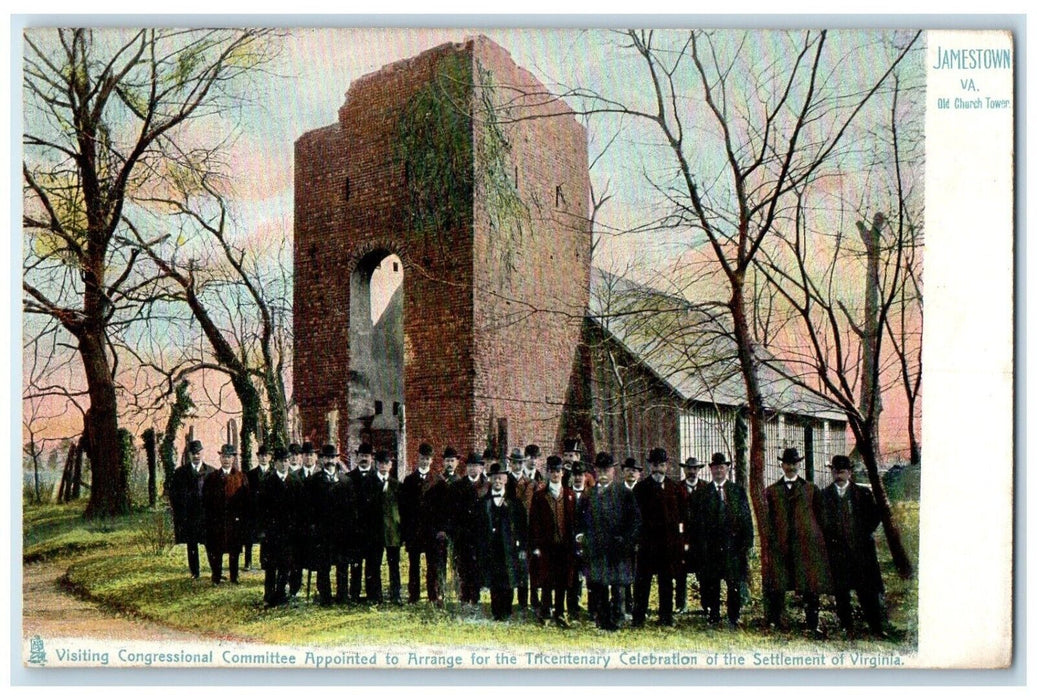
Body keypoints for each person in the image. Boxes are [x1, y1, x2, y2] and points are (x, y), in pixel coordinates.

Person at [763, 447, 832, 634]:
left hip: (806, 548)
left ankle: (812, 623)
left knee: (810, 586)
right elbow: (767, 521)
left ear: (799, 465)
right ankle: (776, 622)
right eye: (787, 463)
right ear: (782, 465)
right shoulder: (772, 491)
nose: (790, 467)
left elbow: (821, 517)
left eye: (794, 463)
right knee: (778, 585)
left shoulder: (811, 489)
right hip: (782, 546)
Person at [819, 455, 887, 638]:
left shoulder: (863, 494)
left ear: (849, 472)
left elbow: (875, 516)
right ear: (832, 472)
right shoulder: (824, 496)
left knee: (867, 591)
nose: (839, 474)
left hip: (861, 552)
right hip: (837, 553)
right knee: (842, 592)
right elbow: (820, 522)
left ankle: (876, 627)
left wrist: (863, 534)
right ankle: (847, 627)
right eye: (836, 470)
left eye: (843, 471)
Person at [577, 456, 641, 631]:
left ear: (613, 471)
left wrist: (626, 541)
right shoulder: (588, 495)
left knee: (618, 584)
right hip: (596, 548)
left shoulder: (624, 493)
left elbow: (635, 521)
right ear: (595, 471)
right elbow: (581, 520)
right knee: (599, 584)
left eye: (606, 470)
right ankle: (603, 619)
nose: (603, 474)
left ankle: (618, 617)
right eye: (600, 470)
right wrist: (581, 536)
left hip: (617, 547)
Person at [697, 452, 754, 627]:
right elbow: (698, 523)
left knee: (733, 583)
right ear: (711, 470)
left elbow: (746, 519)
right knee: (712, 583)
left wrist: (746, 543)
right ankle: (713, 615)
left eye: (721, 467)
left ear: (727, 469)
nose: (718, 471)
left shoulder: (737, 491)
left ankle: (733, 617)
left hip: (733, 546)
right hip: (711, 547)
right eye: (715, 468)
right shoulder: (704, 493)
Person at [631, 448, 684, 627]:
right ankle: (638, 617)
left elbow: (681, 517)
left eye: (661, 465)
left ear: (667, 466)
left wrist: (678, 542)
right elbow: (634, 517)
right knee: (642, 582)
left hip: (667, 545)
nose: (658, 469)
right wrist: (637, 540)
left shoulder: (674, 488)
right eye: (655, 465)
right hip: (647, 544)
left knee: (666, 581)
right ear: (649, 466)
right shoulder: (640, 488)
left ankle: (666, 616)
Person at [476, 462, 528, 621]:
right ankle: (496, 611)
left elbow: (522, 528)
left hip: (509, 547)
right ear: (490, 480)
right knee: (494, 579)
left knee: (508, 577)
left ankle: (507, 610)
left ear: (506, 479)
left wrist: (522, 548)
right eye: (495, 478)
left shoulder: (514, 503)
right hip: (492, 547)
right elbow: (478, 526)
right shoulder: (484, 502)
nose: (498, 481)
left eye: (501, 478)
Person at [528, 457, 576, 627]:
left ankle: (560, 613)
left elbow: (574, 522)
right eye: (552, 471)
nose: (555, 474)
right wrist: (536, 545)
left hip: (565, 546)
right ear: (547, 473)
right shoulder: (540, 496)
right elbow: (534, 523)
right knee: (547, 579)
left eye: (558, 471)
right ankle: (545, 611)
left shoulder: (570, 495)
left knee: (563, 580)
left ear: (562, 473)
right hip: (547, 546)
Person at [400, 442, 449, 605]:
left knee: (432, 565)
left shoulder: (439, 481)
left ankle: (433, 595)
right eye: (422, 458)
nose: (425, 461)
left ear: (432, 460)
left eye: (427, 459)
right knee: (413, 564)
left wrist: (441, 529)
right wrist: (406, 532)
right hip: (414, 531)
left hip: (431, 531)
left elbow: (443, 508)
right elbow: (404, 509)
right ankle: (413, 595)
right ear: (417, 458)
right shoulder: (408, 480)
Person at [202, 443, 250, 585]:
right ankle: (216, 576)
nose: (226, 460)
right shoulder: (212, 477)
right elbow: (206, 500)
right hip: (217, 521)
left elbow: (246, 500)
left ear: (233, 459)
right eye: (224, 457)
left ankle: (234, 577)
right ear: (220, 458)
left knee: (234, 550)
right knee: (216, 550)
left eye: (229, 457)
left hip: (234, 521)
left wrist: (242, 518)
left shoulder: (241, 477)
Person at [447, 452, 489, 609]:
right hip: (462, 535)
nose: (473, 469)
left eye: (476, 466)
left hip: (480, 535)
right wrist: (454, 531)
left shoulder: (487, 486)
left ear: (481, 468)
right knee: (463, 567)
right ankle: (464, 598)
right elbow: (451, 512)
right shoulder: (457, 486)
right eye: (470, 466)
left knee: (477, 567)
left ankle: (475, 598)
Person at [257, 446, 297, 607]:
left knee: (285, 564)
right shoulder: (267, 482)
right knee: (271, 566)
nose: (284, 464)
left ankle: (281, 594)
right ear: (275, 463)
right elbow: (260, 509)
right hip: (271, 532)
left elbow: (300, 509)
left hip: (289, 533)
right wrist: (262, 530)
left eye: (286, 461)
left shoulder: (295, 482)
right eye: (280, 461)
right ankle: (269, 595)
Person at [169, 440, 212, 579]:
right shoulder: (180, 473)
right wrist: (181, 513)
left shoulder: (211, 472)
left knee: (210, 544)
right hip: (190, 516)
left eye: (198, 453)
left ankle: (215, 570)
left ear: (202, 453)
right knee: (192, 545)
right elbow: (174, 495)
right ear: (189, 455)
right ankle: (195, 572)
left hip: (206, 515)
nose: (196, 456)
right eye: (193, 454)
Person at [304, 444, 339, 605]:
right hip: (322, 531)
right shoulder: (314, 481)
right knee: (323, 565)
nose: (330, 461)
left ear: (336, 459)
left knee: (341, 564)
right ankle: (325, 596)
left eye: (332, 458)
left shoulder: (344, 480)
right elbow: (308, 508)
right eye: (327, 458)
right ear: (322, 460)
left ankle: (342, 595)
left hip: (338, 531)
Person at [505, 447, 539, 613]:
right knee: (509, 566)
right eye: (514, 463)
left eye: (520, 463)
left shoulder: (530, 484)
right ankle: (508, 601)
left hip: (525, 530)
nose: (517, 466)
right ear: (510, 463)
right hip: (509, 530)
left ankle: (524, 602)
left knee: (524, 566)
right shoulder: (505, 481)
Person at [368, 450, 403, 604]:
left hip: (392, 532)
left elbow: (402, 510)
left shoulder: (396, 485)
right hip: (374, 531)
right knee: (374, 564)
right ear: (376, 464)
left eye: (386, 463)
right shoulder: (368, 483)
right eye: (380, 463)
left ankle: (396, 595)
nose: (383, 466)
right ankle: (376, 596)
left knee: (393, 564)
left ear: (391, 465)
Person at [676, 456, 710, 614]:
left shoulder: (706, 488)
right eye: (689, 469)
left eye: (695, 469)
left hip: (701, 538)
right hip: (683, 537)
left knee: (703, 572)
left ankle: (706, 604)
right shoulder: (677, 489)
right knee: (680, 571)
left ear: (699, 470)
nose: (692, 472)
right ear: (684, 470)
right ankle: (681, 604)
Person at [348, 442, 377, 602]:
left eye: (367, 456)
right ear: (357, 457)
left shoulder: (377, 477)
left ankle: (372, 594)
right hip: (356, 530)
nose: (364, 459)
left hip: (372, 530)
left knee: (372, 564)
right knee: (356, 564)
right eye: (361, 456)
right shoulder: (349, 479)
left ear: (372, 458)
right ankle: (355, 593)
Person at [243, 444, 271, 571]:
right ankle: (248, 562)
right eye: (261, 456)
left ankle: (264, 561)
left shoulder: (273, 473)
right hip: (253, 510)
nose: (263, 458)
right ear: (258, 457)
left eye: (266, 456)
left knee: (266, 537)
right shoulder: (251, 474)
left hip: (268, 510)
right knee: (249, 536)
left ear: (269, 457)